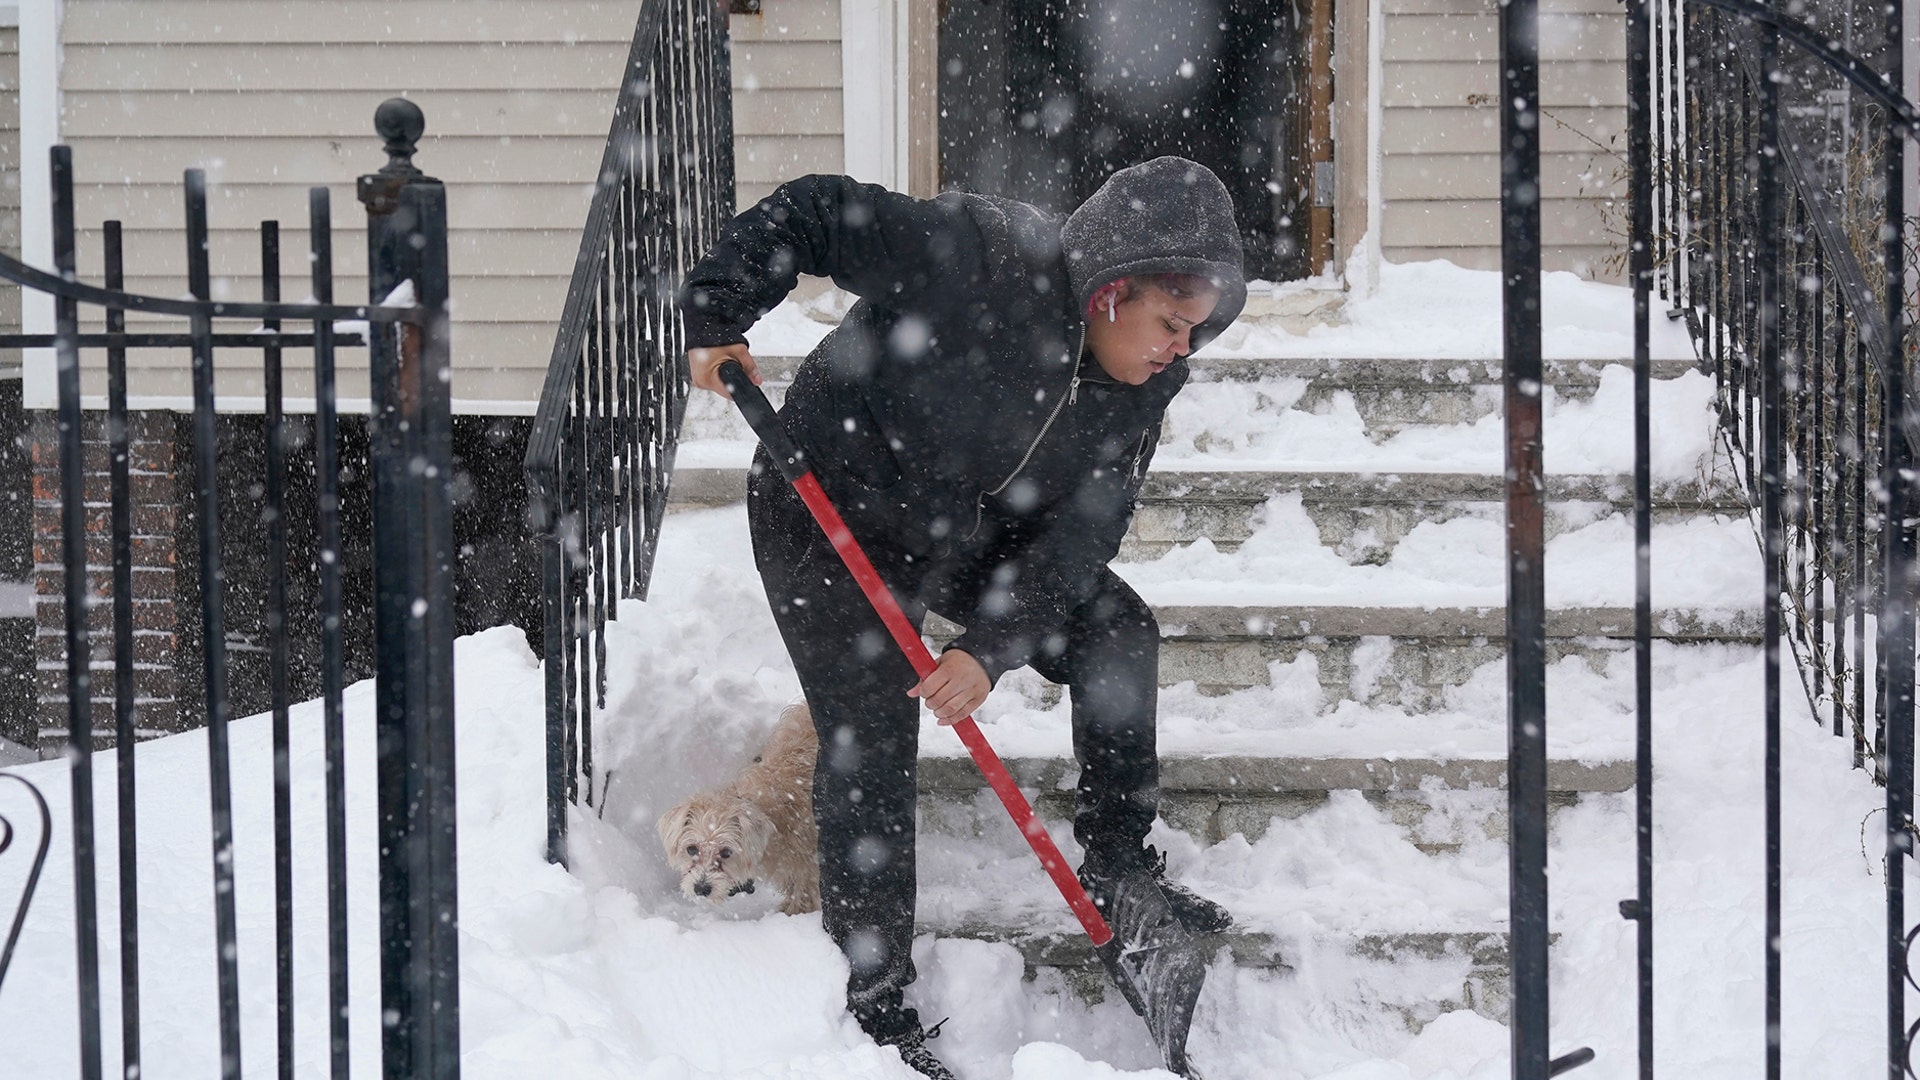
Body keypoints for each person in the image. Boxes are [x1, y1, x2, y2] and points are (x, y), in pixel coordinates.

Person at [679, 156, 1246, 1079]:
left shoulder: (1145, 383)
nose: (1181, 348)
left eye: (1196, 330)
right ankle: (875, 1002)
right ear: (1111, 291)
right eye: (1171, 323)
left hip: (967, 529)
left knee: (1115, 631)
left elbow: (1080, 536)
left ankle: (1116, 861)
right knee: (869, 733)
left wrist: (990, 647)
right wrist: (717, 315)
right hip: (828, 508)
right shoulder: (980, 258)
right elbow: (818, 213)